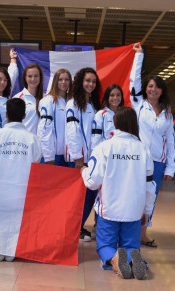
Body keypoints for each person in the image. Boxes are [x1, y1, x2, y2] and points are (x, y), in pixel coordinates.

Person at [81, 107, 156, 280]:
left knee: (105, 246)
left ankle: (115, 259)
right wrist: (147, 212)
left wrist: (84, 171)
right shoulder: (143, 149)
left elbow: (92, 183)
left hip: (109, 208)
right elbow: (150, 185)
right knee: (130, 245)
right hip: (134, 210)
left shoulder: (104, 147)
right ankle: (133, 257)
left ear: (115, 123)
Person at [0, 98, 42, 262]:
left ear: (6, 115)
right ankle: (12, 250)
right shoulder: (32, 139)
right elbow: (36, 163)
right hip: (21, 187)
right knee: (17, 218)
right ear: (24, 116)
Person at [131, 43, 175, 248]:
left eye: (157, 87)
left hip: (157, 162)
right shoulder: (138, 105)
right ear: (145, 89)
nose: (153, 89)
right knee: (134, 195)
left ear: (162, 90)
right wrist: (139, 55)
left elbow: (171, 141)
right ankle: (129, 232)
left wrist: (171, 167)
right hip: (138, 160)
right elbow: (133, 81)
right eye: (150, 86)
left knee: (151, 198)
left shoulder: (167, 113)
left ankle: (143, 233)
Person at [65, 67, 101, 241]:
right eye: (87, 80)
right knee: (81, 196)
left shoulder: (94, 105)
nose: (90, 84)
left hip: (92, 159)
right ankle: (74, 228)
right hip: (80, 159)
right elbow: (72, 131)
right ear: (80, 82)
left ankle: (78, 226)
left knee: (90, 195)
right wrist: (77, 156)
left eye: (93, 81)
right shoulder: (73, 104)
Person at [37, 68, 72, 166]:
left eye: (67, 79)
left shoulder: (71, 102)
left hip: (68, 156)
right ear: (55, 81)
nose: (63, 82)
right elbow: (43, 130)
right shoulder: (48, 101)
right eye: (60, 79)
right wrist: (48, 156)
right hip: (53, 156)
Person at [9, 50, 44, 134]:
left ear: (40, 77)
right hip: (23, 144)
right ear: (25, 78)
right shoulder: (18, 98)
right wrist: (13, 59)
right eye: (30, 76)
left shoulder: (46, 98)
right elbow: (13, 126)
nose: (33, 79)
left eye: (36, 76)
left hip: (40, 145)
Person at [91, 84, 124, 153]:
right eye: (112, 95)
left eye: (118, 95)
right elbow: (95, 139)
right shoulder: (100, 114)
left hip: (122, 155)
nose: (115, 98)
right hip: (106, 155)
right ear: (107, 97)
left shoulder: (125, 113)